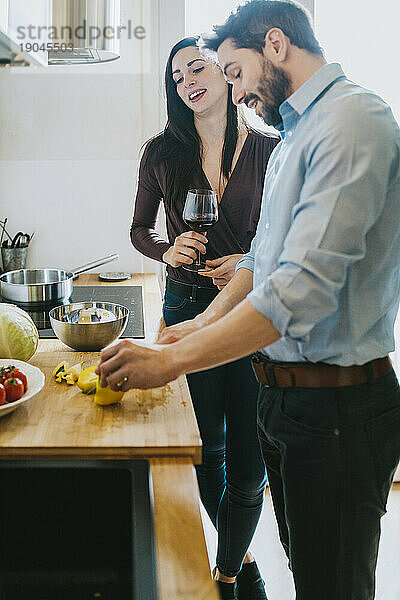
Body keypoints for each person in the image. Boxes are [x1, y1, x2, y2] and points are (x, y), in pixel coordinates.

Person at [97, 2, 400, 599]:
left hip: (337, 409)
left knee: (333, 584)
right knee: (310, 575)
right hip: (287, 400)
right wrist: (195, 325)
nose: (232, 93)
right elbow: (262, 262)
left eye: (232, 73)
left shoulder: (352, 121)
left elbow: (299, 291)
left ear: (276, 46)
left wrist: (172, 361)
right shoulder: (295, 137)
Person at [129, 36, 280, 599]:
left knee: (249, 458)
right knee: (202, 451)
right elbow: (140, 231)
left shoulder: (271, 148)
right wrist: (165, 251)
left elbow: (280, 235)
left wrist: (248, 261)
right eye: (177, 78)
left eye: (197, 68)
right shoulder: (162, 153)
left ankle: (229, 567)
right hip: (186, 306)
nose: (188, 81)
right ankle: (239, 565)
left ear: (223, 73)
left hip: (249, 311)